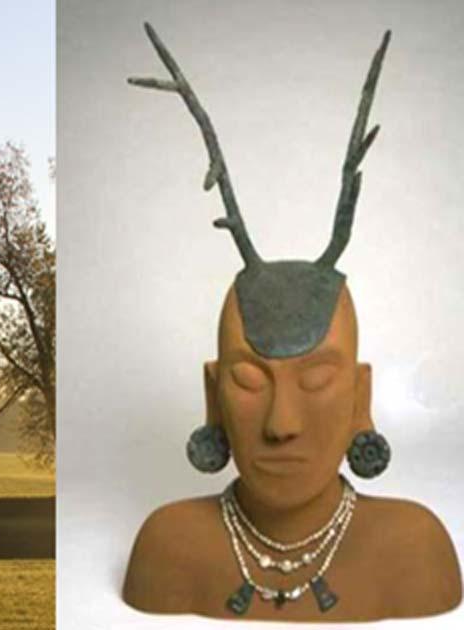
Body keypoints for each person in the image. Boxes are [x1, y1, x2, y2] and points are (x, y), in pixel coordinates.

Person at [122, 23, 462, 621]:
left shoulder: (419, 552)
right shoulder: (165, 549)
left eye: (317, 380)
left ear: (361, 395)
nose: (283, 425)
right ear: (212, 392)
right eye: (250, 381)